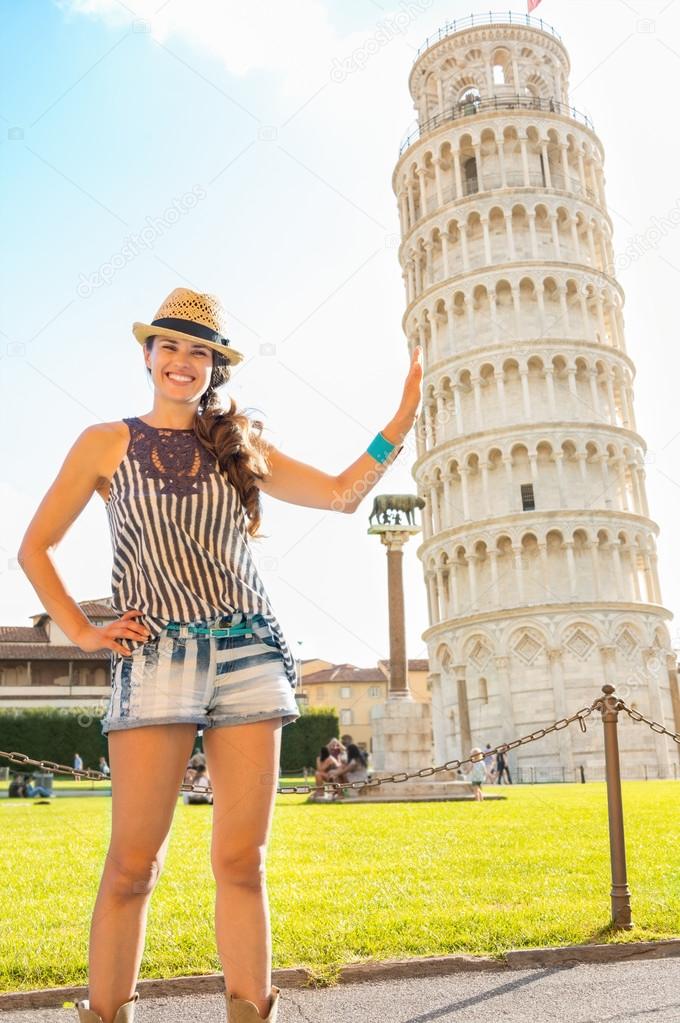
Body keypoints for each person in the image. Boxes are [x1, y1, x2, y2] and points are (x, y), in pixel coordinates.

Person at [17, 286, 422, 1023]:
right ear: (147, 355)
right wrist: (83, 632)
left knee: (241, 861)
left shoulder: (237, 444)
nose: (182, 361)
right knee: (133, 865)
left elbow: (338, 494)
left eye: (198, 351)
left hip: (249, 654)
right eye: (169, 346)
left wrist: (398, 422)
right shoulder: (105, 442)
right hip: (157, 656)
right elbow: (34, 548)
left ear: (214, 367)